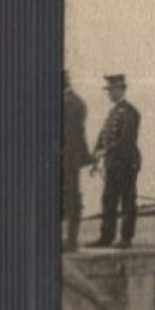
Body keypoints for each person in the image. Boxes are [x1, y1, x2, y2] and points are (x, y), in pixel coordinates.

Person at [89, 74, 141, 248]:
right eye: (108, 90)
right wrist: (96, 154)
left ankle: (126, 238)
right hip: (112, 164)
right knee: (109, 201)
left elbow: (126, 140)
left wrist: (105, 151)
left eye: (112, 90)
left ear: (121, 89)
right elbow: (104, 135)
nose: (109, 93)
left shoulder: (130, 112)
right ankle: (106, 237)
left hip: (125, 163)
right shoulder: (113, 112)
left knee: (127, 201)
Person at [61, 71, 92, 252]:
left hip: (68, 159)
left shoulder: (72, 103)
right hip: (65, 159)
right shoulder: (70, 102)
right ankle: (67, 239)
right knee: (66, 198)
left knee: (71, 198)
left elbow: (73, 135)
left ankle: (71, 240)